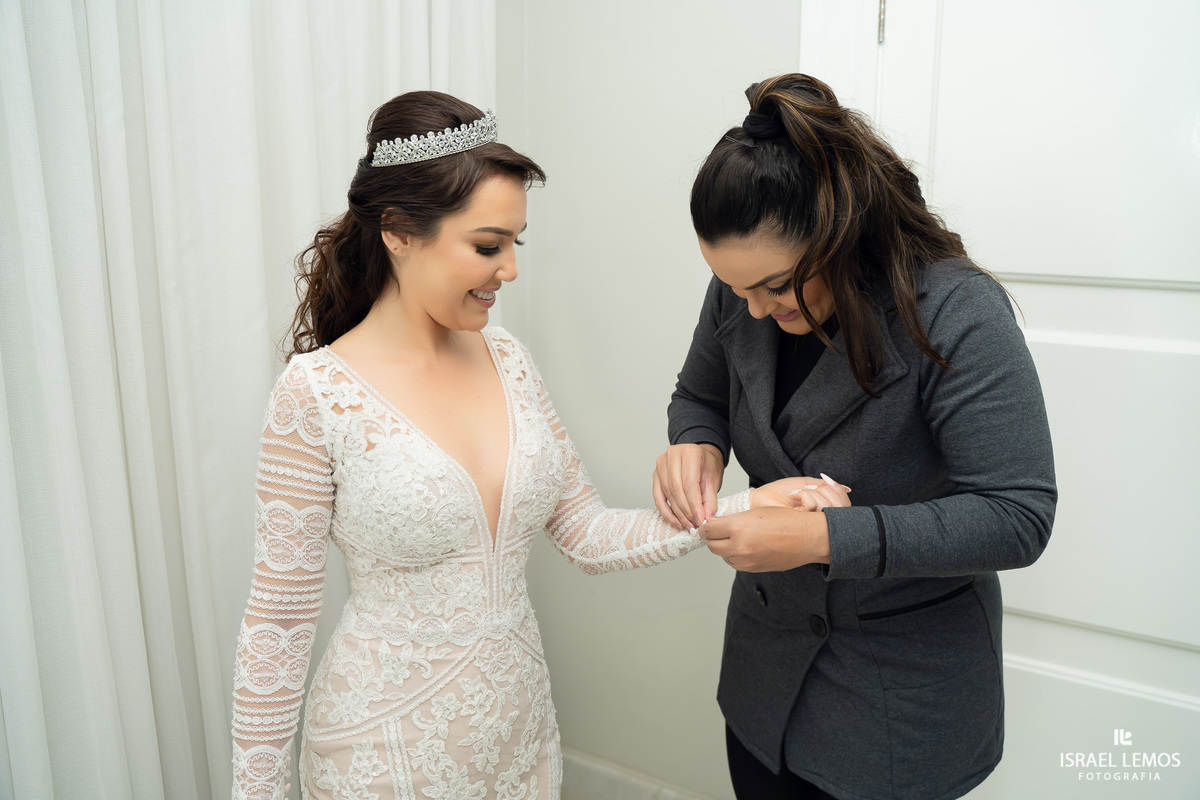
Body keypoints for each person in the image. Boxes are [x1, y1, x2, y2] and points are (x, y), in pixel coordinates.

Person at [228, 91, 813, 800]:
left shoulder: (508, 360)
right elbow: (279, 624)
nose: (509, 270)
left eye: (515, 243)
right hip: (381, 751)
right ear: (397, 232)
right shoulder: (315, 393)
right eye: (487, 245)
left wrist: (748, 502)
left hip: (518, 738)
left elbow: (587, 532)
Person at [652, 74, 1057, 800]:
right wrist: (694, 442)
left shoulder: (956, 311)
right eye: (732, 288)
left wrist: (822, 541)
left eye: (775, 287)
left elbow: (1016, 516)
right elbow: (700, 395)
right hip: (762, 681)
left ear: (838, 234)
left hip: (899, 696)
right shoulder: (744, 289)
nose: (752, 308)